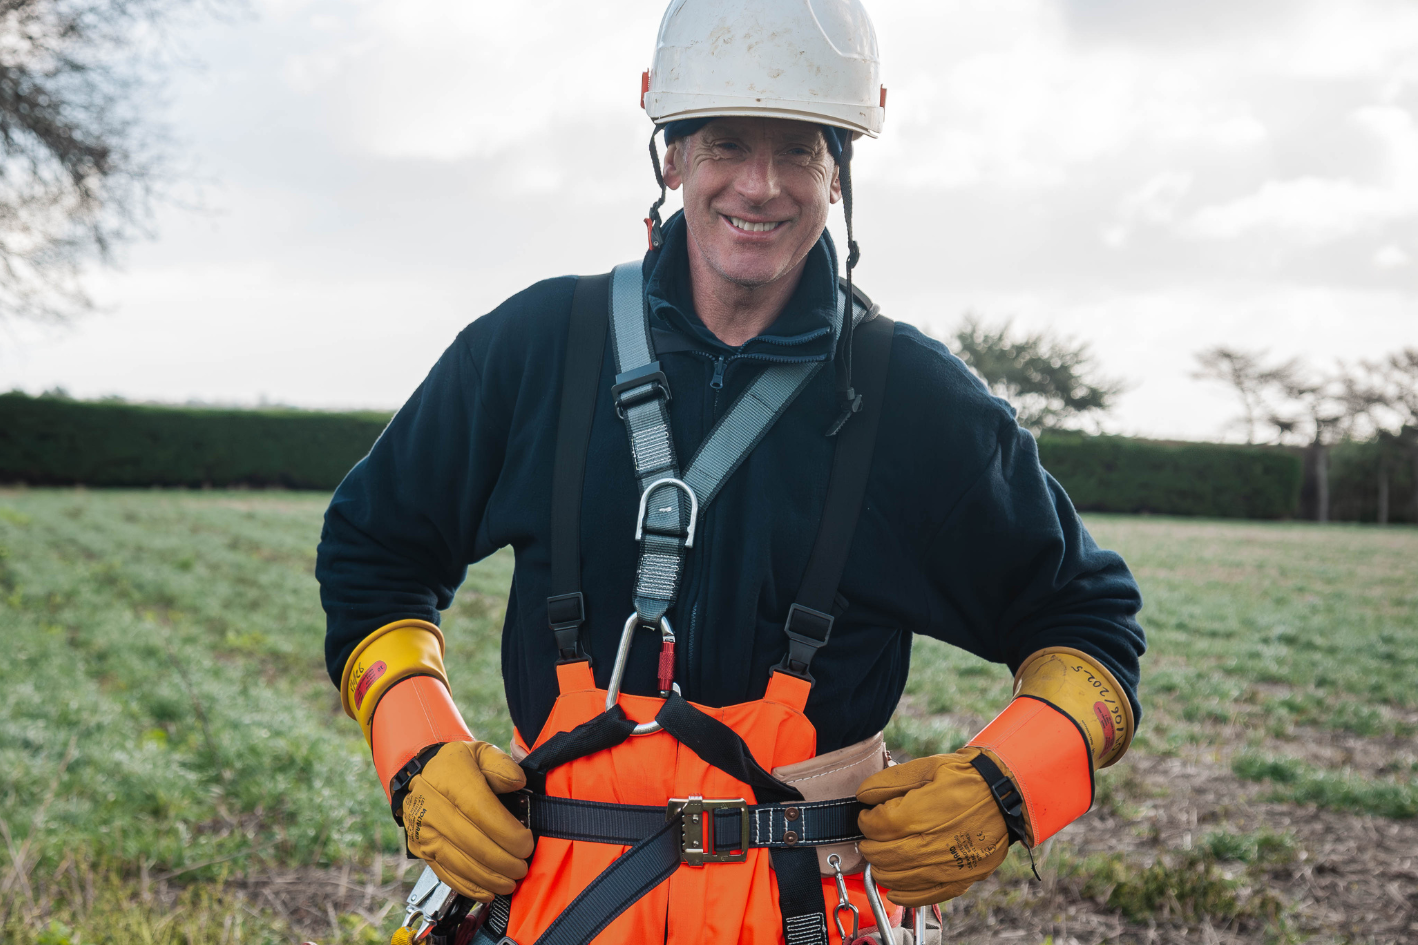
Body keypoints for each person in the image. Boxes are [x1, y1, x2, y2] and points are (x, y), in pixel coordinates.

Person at [317, 1, 1145, 942]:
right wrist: (420, 749)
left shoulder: (913, 400)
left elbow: (1088, 619)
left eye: (799, 149)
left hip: (801, 908)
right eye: (725, 143)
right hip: (559, 906)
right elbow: (375, 548)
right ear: (670, 155)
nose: (760, 185)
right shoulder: (537, 347)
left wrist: (1005, 786)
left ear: (839, 170)